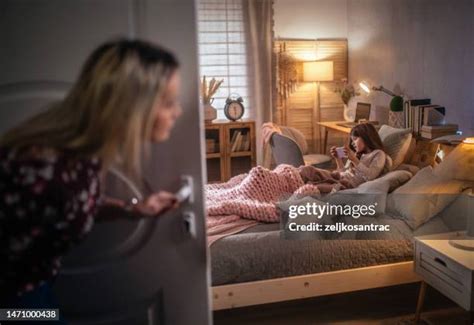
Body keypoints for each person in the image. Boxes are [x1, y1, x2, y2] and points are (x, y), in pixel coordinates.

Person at [0, 39, 183, 309]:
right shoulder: (41, 168)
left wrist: (132, 209)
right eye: (168, 103)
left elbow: (70, 205)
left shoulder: (86, 157)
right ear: (130, 106)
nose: (177, 112)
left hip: (38, 290)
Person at [262, 122, 392, 192]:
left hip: (345, 184)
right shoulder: (359, 155)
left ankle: (274, 187)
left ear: (367, 137)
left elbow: (370, 176)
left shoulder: (379, 154)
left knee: (311, 186)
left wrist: (353, 159)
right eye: (351, 140)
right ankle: (271, 181)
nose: (352, 143)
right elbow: (342, 172)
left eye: (355, 139)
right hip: (338, 177)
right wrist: (338, 159)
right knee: (305, 170)